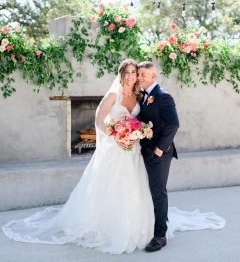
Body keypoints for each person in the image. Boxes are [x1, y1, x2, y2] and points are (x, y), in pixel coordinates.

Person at [2, 59, 225, 255]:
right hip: (116, 149)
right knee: (113, 188)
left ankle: (149, 230)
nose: (132, 76)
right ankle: (112, 227)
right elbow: (99, 121)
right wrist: (117, 137)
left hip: (136, 151)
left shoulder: (142, 95)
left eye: (135, 73)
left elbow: (155, 123)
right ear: (121, 75)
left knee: (139, 189)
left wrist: (138, 135)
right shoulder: (113, 95)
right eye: (128, 72)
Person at [137, 61, 179, 252]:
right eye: (138, 74)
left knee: (158, 192)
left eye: (143, 74)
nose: (139, 78)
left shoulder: (163, 96)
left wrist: (159, 150)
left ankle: (160, 236)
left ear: (153, 76)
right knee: (153, 191)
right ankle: (163, 220)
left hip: (160, 153)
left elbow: (173, 124)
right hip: (146, 150)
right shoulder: (144, 97)